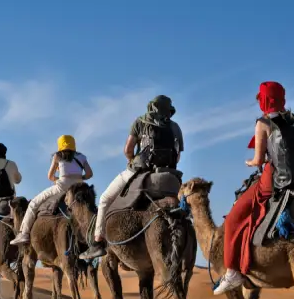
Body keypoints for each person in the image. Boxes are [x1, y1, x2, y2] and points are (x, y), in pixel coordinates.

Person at [213, 81, 294, 295]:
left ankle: (232, 271)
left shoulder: (263, 122)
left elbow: (259, 159)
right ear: (282, 99)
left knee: (233, 219)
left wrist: (250, 163)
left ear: (264, 100)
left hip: (273, 180)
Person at [80, 95, 183, 260]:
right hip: (170, 178)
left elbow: (128, 150)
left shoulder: (140, 122)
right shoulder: (175, 127)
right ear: (169, 111)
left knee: (105, 199)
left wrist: (132, 161)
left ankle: (97, 242)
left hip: (141, 173)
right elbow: (177, 156)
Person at [10, 135, 93, 245]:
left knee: (34, 203)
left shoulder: (57, 156)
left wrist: (58, 179)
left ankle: (24, 233)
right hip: (79, 188)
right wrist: (79, 178)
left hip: (62, 186)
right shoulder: (82, 157)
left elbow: (50, 176)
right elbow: (89, 174)